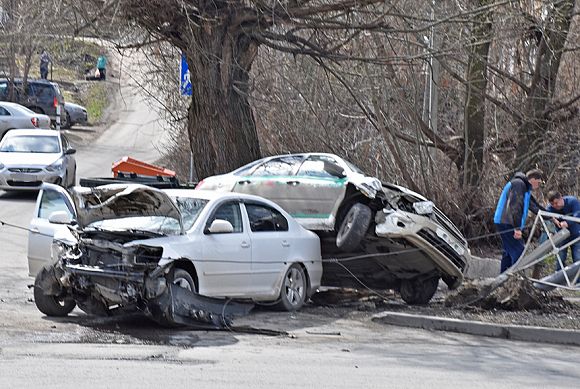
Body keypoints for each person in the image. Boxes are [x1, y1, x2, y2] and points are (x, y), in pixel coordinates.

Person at [493, 169, 545, 273]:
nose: (538, 185)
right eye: (538, 182)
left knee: (508, 252)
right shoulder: (519, 184)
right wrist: (516, 228)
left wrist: (551, 217)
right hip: (507, 222)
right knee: (518, 251)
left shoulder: (525, 188)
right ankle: (515, 278)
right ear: (533, 179)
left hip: (507, 222)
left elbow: (534, 206)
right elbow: (515, 207)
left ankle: (502, 278)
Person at [546, 191, 580, 269]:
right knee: (560, 258)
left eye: (556, 203)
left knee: (577, 257)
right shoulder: (550, 208)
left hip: (576, 234)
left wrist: (568, 223)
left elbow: (577, 216)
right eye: (552, 204)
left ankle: (577, 280)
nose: (555, 206)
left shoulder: (572, 201)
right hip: (561, 235)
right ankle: (560, 278)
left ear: (561, 198)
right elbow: (546, 217)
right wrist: (553, 221)